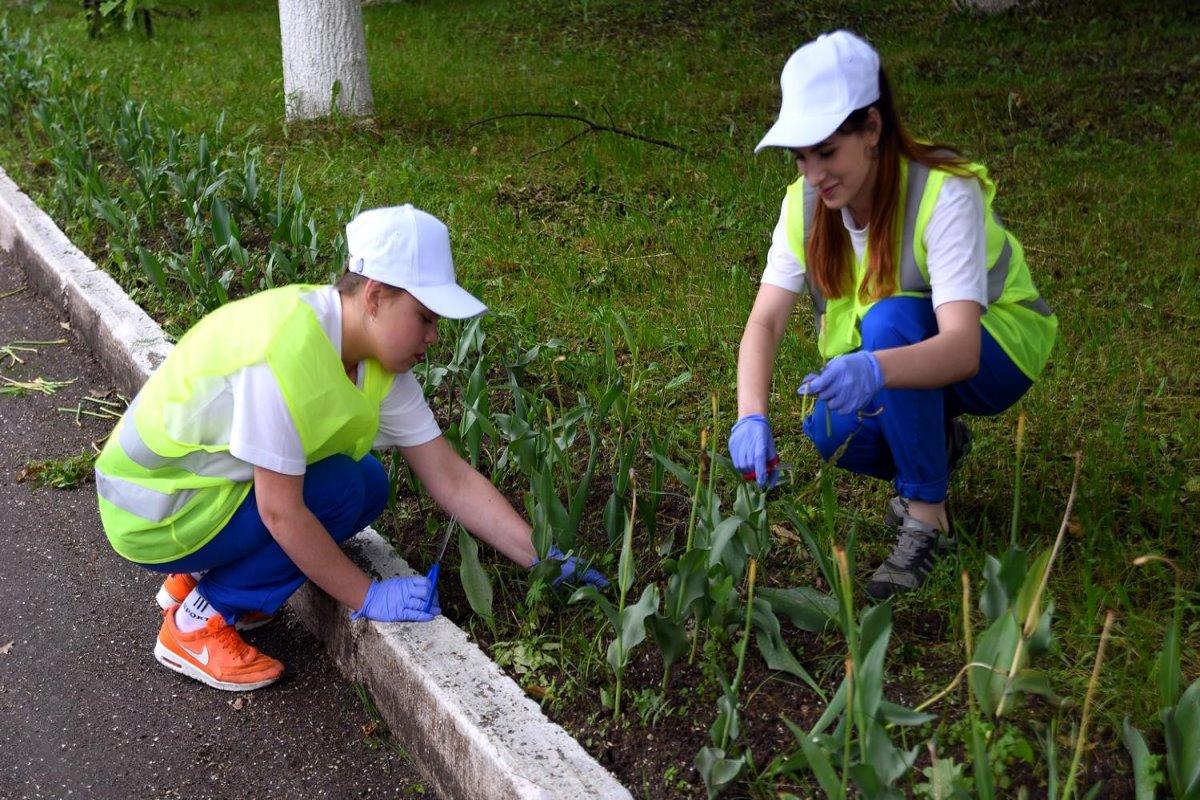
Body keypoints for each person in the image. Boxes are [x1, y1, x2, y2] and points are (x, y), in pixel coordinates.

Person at [95, 204, 607, 692]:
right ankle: (196, 623)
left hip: (206, 493)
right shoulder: (282, 351)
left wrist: (545, 558)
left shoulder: (378, 362)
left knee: (364, 484)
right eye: (425, 318)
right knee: (339, 489)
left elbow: (451, 479)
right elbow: (281, 512)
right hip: (153, 513)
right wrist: (368, 595)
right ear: (377, 295)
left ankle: (197, 581)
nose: (434, 337)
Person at [730, 31, 1056, 599]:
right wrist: (749, 416)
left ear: (873, 130)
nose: (813, 173)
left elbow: (962, 348)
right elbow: (765, 322)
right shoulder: (805, 205)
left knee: (886, 326)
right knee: (831, 429)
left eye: (826, 152)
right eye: (801, 156)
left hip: (998, 348)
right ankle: (936, 443)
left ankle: (927, 517)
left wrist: (876, 370)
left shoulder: (942, 191)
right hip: (905, 351)